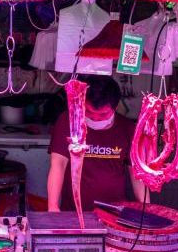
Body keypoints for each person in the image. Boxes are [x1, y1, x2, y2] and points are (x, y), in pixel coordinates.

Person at [47, 75, 148, 212]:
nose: (95, 118)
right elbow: (58, 164)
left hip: (115, 213)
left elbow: (137, 174)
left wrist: (146, 208)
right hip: (74, 212)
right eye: (88, 112)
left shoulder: (128, 128)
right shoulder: (68, 121)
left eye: (102, 115)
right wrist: (53, 206)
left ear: (115, 107)